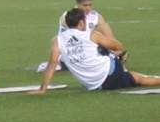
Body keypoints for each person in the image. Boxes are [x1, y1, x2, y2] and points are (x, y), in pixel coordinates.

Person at [30, 8, 160, 94]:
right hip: (110, 73)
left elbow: (52, 64)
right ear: (81, 23)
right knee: (139, 78)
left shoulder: (57, 40)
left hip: (94, 85)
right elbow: (118, 46)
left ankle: (113, 59)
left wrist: (42, 89)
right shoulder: (91, 34)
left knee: (127, 71)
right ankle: (115, 59)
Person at [37, 0, 124, 72]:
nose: (88, 8)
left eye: (90, 5)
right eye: (85, 5)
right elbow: (70, 39)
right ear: (77, 4)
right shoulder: (68, 17)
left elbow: (108, 37)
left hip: (88, 51)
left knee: (103, 28)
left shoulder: (96, 16)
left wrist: (115, 48)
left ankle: (114, 54)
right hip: (73, 52)